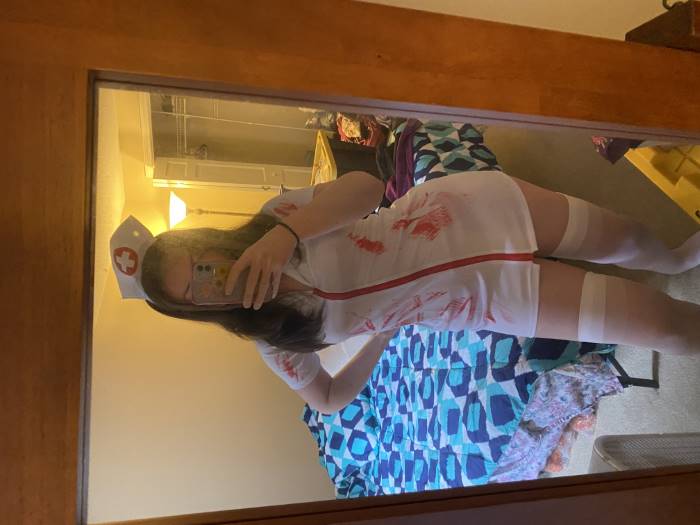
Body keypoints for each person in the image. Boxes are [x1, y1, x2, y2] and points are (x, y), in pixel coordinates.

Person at [110, 170, 700, 413]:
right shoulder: (275, 341)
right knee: (662, 326)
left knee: (629, 240)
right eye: (196, 296)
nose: (212, 287)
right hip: (487, 299)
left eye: (201, 268)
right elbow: (328, 398)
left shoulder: (278, 216)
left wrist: (287, 235)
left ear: (208, 242)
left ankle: (677, 257)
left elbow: (367, 188)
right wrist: (381, 337)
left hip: (469, 213)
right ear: (197, 312)